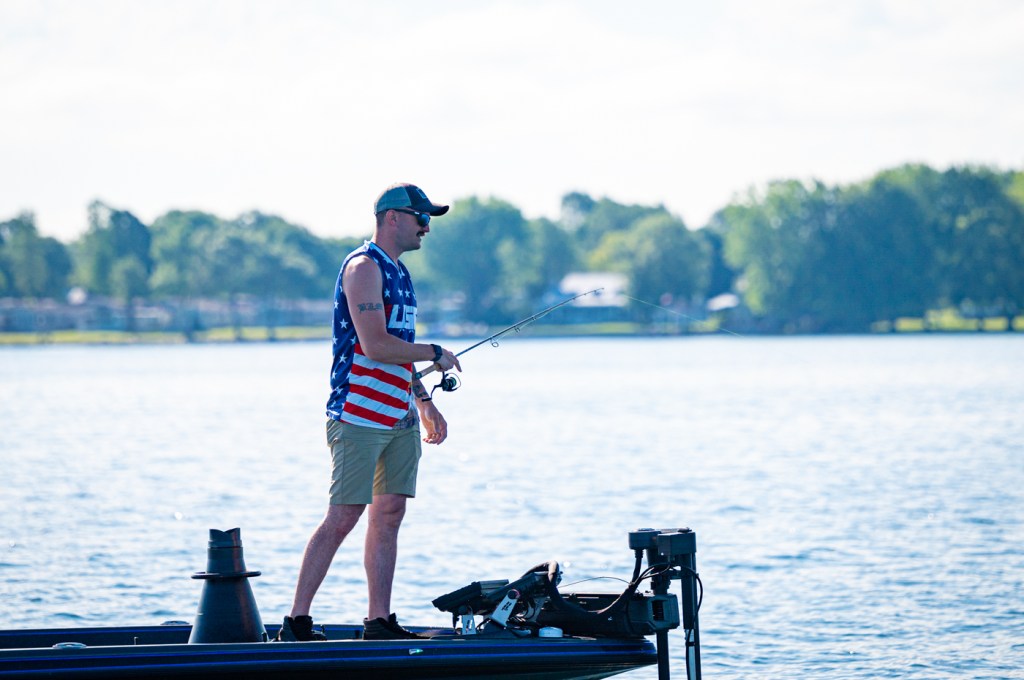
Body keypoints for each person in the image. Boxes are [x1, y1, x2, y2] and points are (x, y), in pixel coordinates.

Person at [279, 183, 462, 642]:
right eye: (421, 217)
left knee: (389, 514)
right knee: (344, 515)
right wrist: (434, 351)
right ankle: (296, 623)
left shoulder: (401, 273)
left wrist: (424, 402)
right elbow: (377, 345)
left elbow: (398, 350)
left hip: (399, 417)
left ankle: (379, 622)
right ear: (392, 218)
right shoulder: (363, 268)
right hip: (357, 415)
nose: (426, 227)